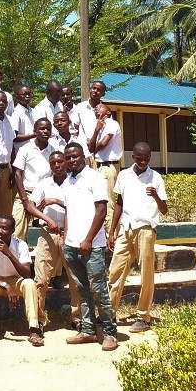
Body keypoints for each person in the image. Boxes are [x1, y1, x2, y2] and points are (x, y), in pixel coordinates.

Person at [61, 143, 119, 351]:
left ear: (83, 157)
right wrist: (67, 240)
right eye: (68, 158)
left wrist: (87, 240)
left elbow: (101, 211)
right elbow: (69, 212)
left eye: (75, 157)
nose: (72, 160)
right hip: (72, 246)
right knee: (82, 290)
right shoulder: (68, 181)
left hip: (92, 246)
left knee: (98, 290)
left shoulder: (94, 178)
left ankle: (110, 333)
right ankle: (88, 330)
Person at [107, 142, 168, 333]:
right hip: (126, 229)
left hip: (145, 230)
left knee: (146, 274)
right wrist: (111, 230)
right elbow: (119, 203)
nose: (143, 161)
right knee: (115, 271)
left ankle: (143, 316)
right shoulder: (124, 175)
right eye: (139, 158)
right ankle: (110, 313)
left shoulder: (156, 178)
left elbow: (164, 210)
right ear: (132, 156)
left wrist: (156, 196)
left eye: (147, 159)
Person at [28, 151, 80, 329]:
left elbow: (81, 206)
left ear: (66, 162)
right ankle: (38, 320)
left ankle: (77, 317)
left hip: (70, 233)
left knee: (74, 278)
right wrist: (47, 219)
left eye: (60, 161)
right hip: (47, 234)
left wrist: (57, 201)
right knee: (41, 279)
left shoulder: (74, 182)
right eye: (53, 163)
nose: (57, 165)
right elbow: (30, 205)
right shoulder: (44, 183)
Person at [0, 216, 42, 349]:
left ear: (12, 230)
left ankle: (34, 329)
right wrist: (5, 285)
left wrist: (9, 254)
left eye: (4, 228)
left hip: (14, 280)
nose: (0, 231)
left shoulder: (20, 244)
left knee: (29, 283)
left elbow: (26, 273)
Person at [11, 117, 53, 239]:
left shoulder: (54, 151)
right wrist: (24, 199)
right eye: (42, 128)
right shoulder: (25, 149)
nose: (45, 131)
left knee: (46, 231)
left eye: (48, 129)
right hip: (25, 194)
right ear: (35, 131)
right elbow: (17, 173)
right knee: (16, 230)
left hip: (44, 197)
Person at [87, 103, 123, 229]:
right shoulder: (99, 126)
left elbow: (103, 144)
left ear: (108, 113)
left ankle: (111, 236)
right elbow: (91, 148)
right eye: (95, 108)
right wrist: (96, 130)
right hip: (99, 166)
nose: (96, 109)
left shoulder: (112, 124)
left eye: (100, 107)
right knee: (98, 201)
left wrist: (93, 148)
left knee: (108, 202)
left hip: (108, 166)